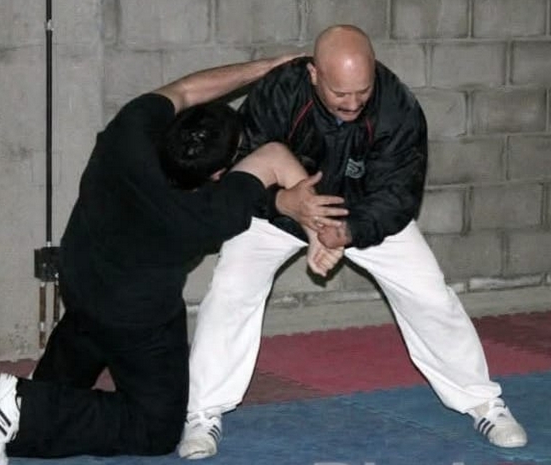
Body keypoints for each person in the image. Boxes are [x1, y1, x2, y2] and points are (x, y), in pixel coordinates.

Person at [178, 24, 528, 459]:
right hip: (280, 209)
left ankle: (483, 403)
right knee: (231, 289)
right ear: (314, 75)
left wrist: (346, 231)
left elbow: (399, 196)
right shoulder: (280, 93)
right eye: (340, 93)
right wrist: (283, 203)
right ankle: (203, 412)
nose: (352, 102)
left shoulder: (397, 107)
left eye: (362, 91)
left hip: (361, 214)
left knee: (430, 296)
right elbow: (244, 165)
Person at [0, 57, 344, 465]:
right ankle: (25, 408)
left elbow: (187, 89)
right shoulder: (204, 216)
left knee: (84, 331)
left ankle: (36, 397)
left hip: (80, 278)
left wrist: (266, 67)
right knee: (156, 428)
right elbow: (276, 156)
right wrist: (316, 231)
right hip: (135, 320)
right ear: (218, 174)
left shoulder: (129, 131)